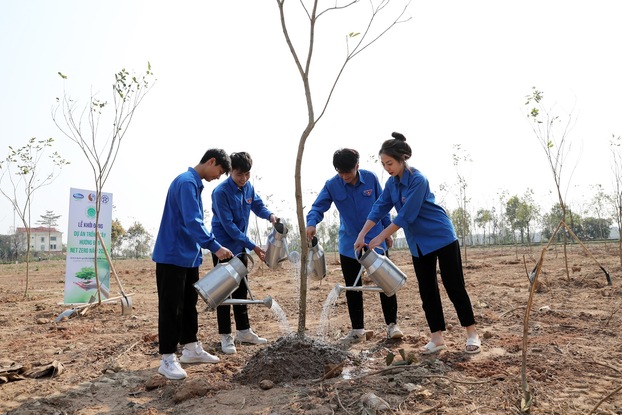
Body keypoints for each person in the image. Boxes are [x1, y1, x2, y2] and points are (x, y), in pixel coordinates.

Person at [354, 133, 481, 355]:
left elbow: (405, 216)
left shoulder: (418, 180)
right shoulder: (392, 185)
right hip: (419, 243)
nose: (387, 168)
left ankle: (472, 333)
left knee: (454, 285)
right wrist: (362, 234)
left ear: (402, 159)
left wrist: (379, 237)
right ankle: (437, 338)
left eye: (390, 163)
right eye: (383, 164)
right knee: (427, 290)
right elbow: (379, 207)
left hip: (440, 236)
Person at [306, 148, 403, 345]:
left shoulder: (371, 178)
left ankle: (392, 325)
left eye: (347, 172)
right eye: (340, 172)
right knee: (353, 287)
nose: (344, 176)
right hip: (349, 244)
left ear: (357, 167)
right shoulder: (332, 185)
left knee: (385, 284)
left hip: (375, 241)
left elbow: (382, 205)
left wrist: (387, 232)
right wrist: (312, 222)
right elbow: (318, 206)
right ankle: (358, 329)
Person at [152, 148, 234, 380]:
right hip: (172, 255)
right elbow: (192, 221)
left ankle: (190, 347)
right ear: (211, 161)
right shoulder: (187, 182)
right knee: (171, 307)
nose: (218, 177)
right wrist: (214, 245)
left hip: (187, 256)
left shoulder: (194, 184)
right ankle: (167, 358)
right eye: (219, 171)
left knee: (188, 304)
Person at [211, 151, 278, 354]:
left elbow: (257, 204)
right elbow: (229, 226)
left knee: (241, 288)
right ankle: (225, 336)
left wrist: (270, 216)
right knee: (223, 292)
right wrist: (254, 246)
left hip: (240, 246)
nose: (244, 179)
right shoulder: (220, 192)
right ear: (230, 171)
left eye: (247, 174)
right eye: (240, 174)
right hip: (223, 248)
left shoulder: (247, 187)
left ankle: (244, 331)